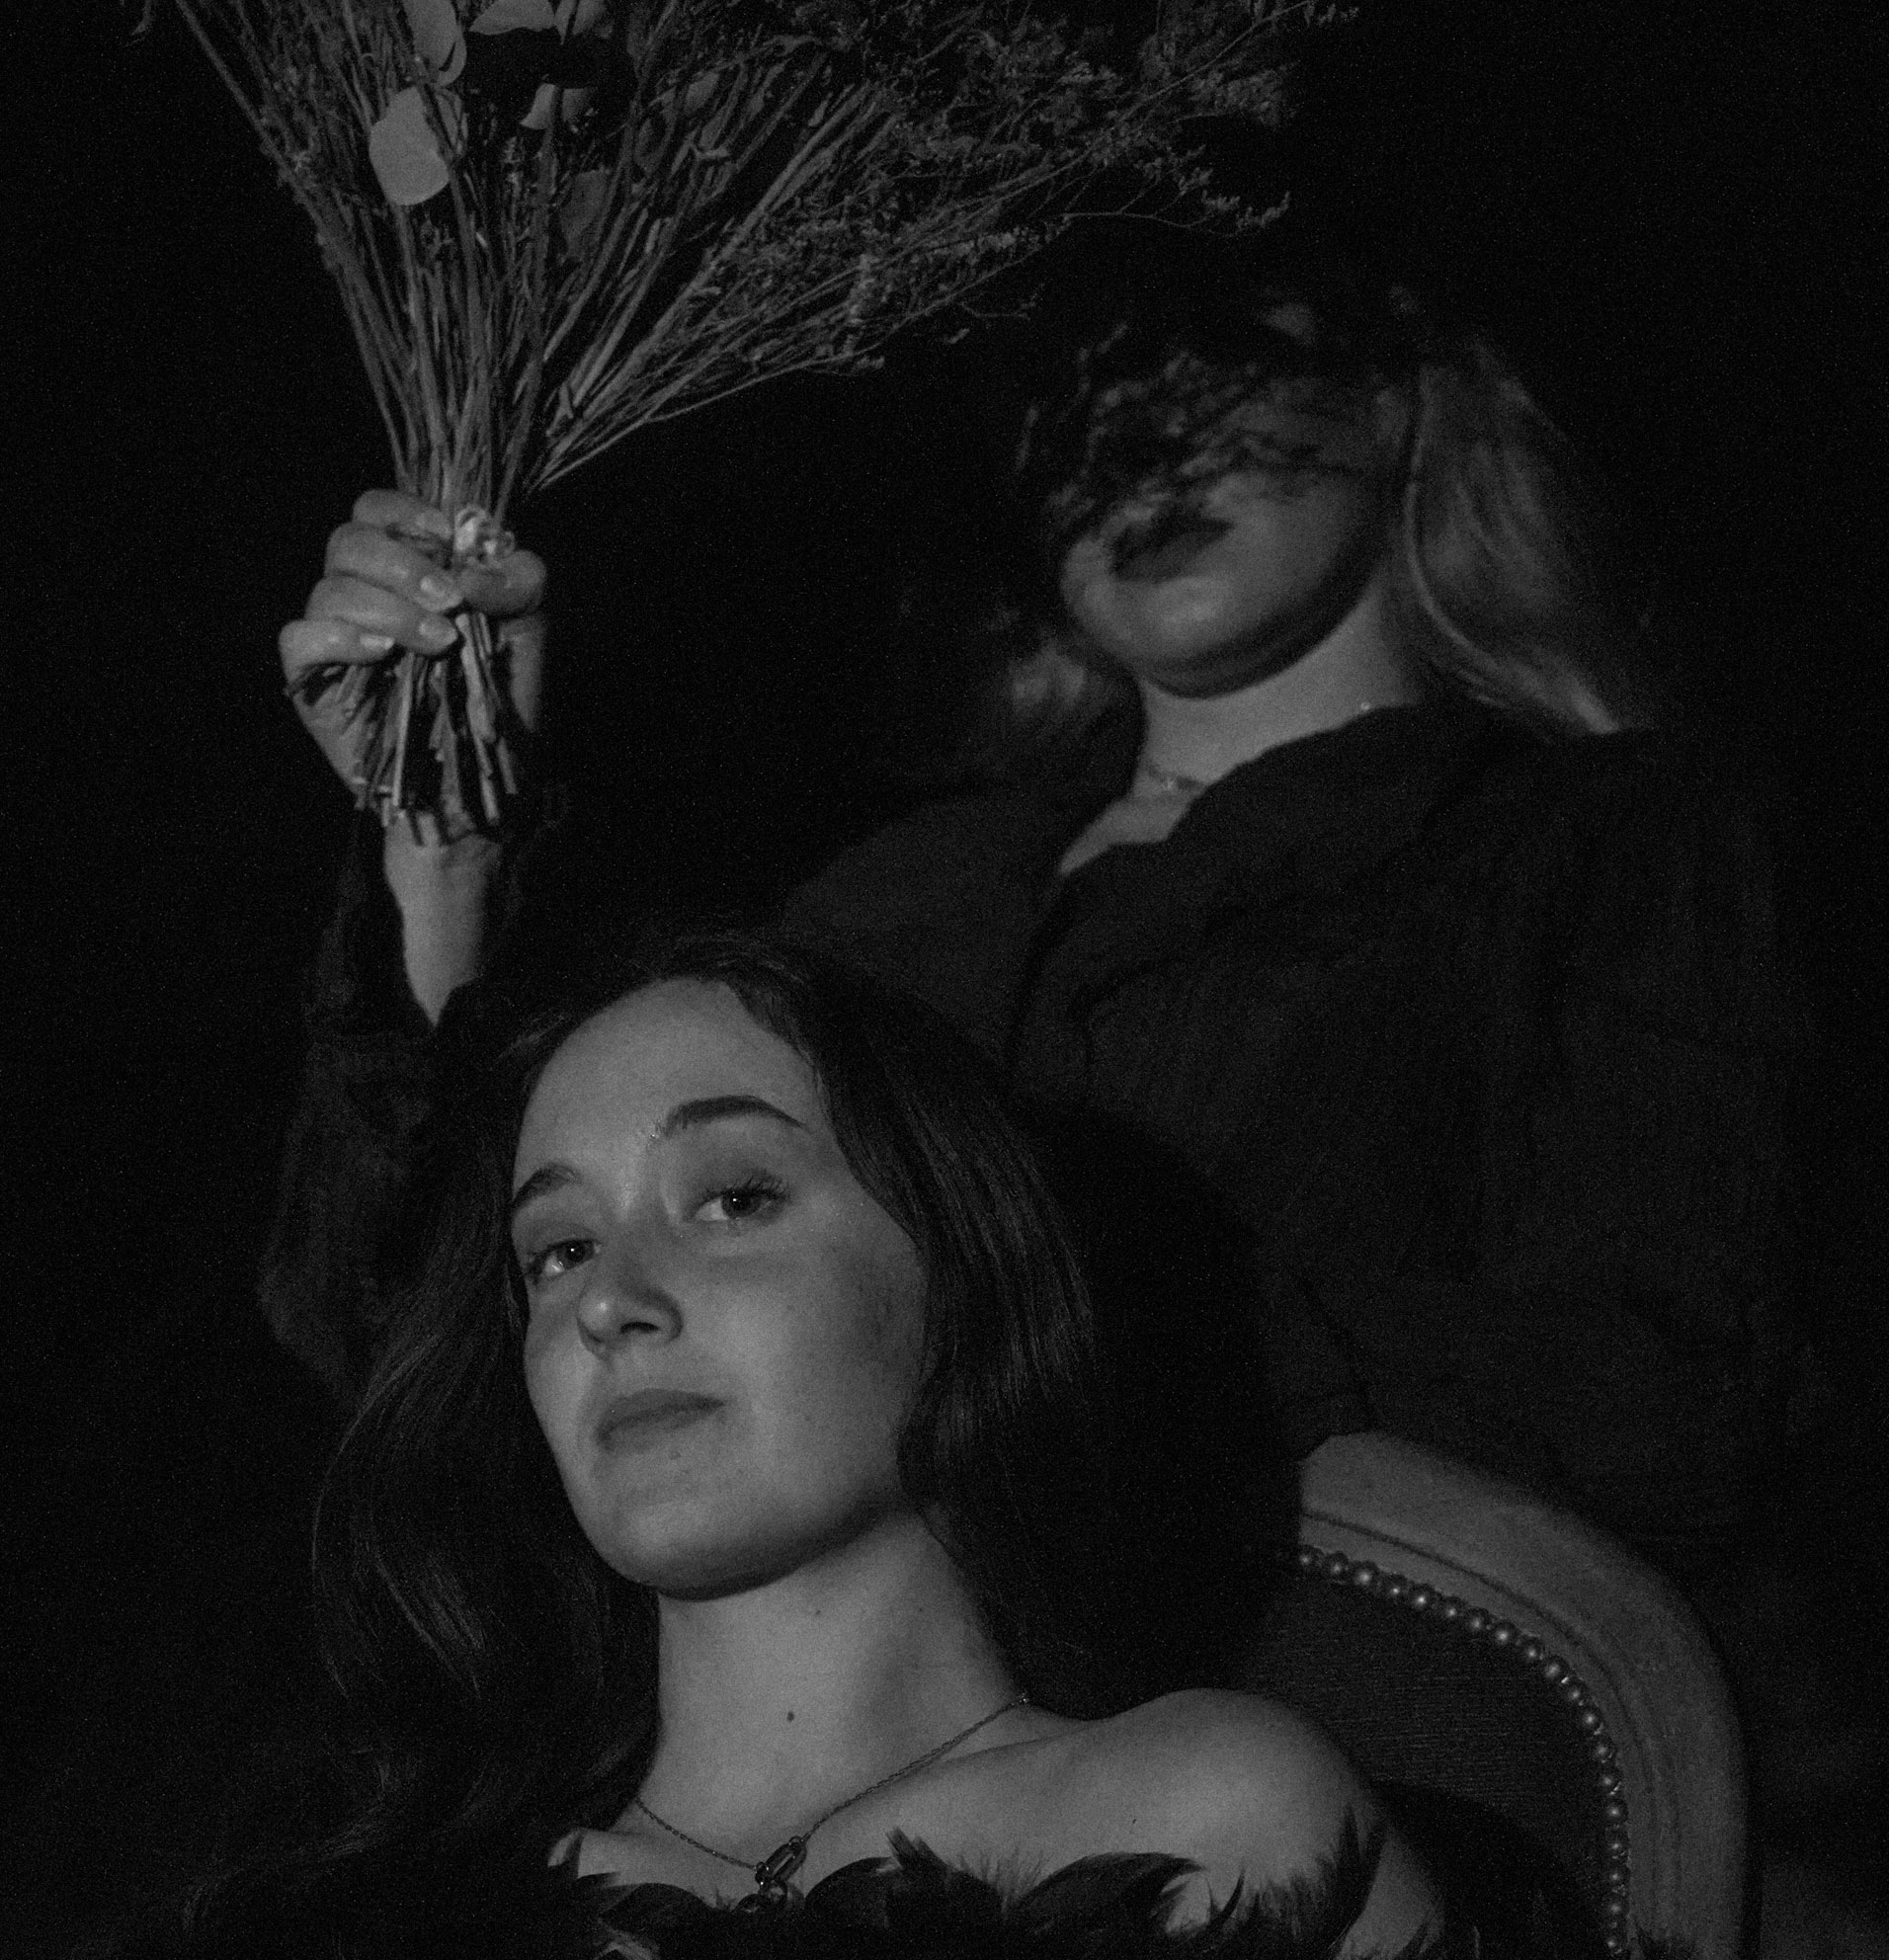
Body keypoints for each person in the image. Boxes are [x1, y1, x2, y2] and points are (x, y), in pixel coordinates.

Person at [268, 241, 1811, 1584]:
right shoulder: (889, 903)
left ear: (1399, 383)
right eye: (1067, 395)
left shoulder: (1596, 839)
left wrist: (1015, 1339)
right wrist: (446, 843)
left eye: (1211, 358)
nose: (1136, 441)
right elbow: (423, 1358)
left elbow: (1666, 1395)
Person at [147, 936, 1445, 1956]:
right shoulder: (392, 1906)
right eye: (560, 1249)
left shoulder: (1212, 1818)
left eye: (734, 1198)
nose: (611, 1300)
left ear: (955, 1268)